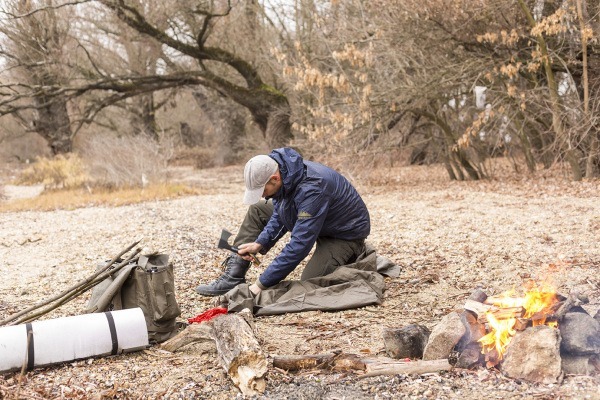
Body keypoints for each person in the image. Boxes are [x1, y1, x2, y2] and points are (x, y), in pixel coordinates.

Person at [195, 147, 371, 296]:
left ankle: (351, 255)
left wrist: (259, 285)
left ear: (274, 178)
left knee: (308, 286)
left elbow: (299, 245)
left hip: (342, 234)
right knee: (258, 208)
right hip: (317, 219)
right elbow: (281, 213)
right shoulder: (286, 174)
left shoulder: (312, 189)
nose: (262, 195)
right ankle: (233, 277)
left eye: (262, 190)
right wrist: (260, 243)